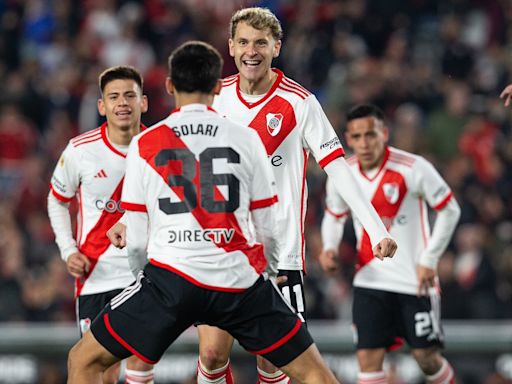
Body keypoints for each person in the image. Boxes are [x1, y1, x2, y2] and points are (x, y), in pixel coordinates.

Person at [107, 7, 396, 384]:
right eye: (243, 41)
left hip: (278, 256)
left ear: (277, 46)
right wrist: (131, 216)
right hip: (219, 252)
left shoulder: (299, 103)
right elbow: (170, 156)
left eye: (261, 42)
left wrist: (376, 229)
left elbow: (338, 167)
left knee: (273, 365)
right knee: (211, 355)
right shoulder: (214, 96)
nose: (251, 50)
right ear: (230, 46)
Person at [67, 40, 341, 384]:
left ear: (169, 86)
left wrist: (146, 283)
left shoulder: (147, 143)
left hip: (171, 279)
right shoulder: (245, 138)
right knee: (316, 375)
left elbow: (136, 239)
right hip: (237, 279)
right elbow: (267, 224)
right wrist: (266, 272)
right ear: (216, 87)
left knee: (83, 359)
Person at [319, 104, 461, 384]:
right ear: (348, 139)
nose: (364, 143)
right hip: (369, 281)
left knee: (426, 359)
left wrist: (429, 259)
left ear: (384, 134)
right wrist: (330, 247)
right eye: (357, 137)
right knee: (368, 360)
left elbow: (450, 209)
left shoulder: (413, 168)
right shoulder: (342, 173)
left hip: (414, 281)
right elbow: (334, 215)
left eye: (370, 135)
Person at [47, 65, 154, 384]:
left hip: (147, 275)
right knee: (101, 371)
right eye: (114, 97)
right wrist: (68, 251)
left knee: (140, 364)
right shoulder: (80, 151)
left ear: (143, 102)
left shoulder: (159, 148)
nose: (122, 103)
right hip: (96, 276)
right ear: (101, 106)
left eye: (129, 96)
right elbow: (57, 200)